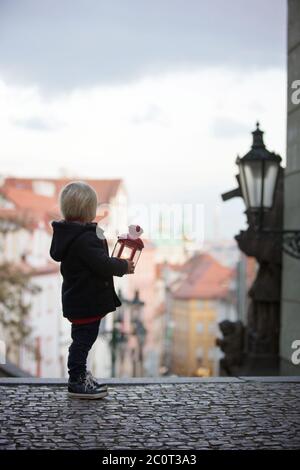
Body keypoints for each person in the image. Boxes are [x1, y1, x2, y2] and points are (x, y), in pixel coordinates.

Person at [50, 181, 134, 399]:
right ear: (89, 209)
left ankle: (80, 376)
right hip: (86, 302)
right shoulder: (84, 238)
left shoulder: (71, 235)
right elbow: (102, 264)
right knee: (82, 342)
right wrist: (124, 266)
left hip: (79, 300)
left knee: (82, 339)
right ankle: (76, 380)